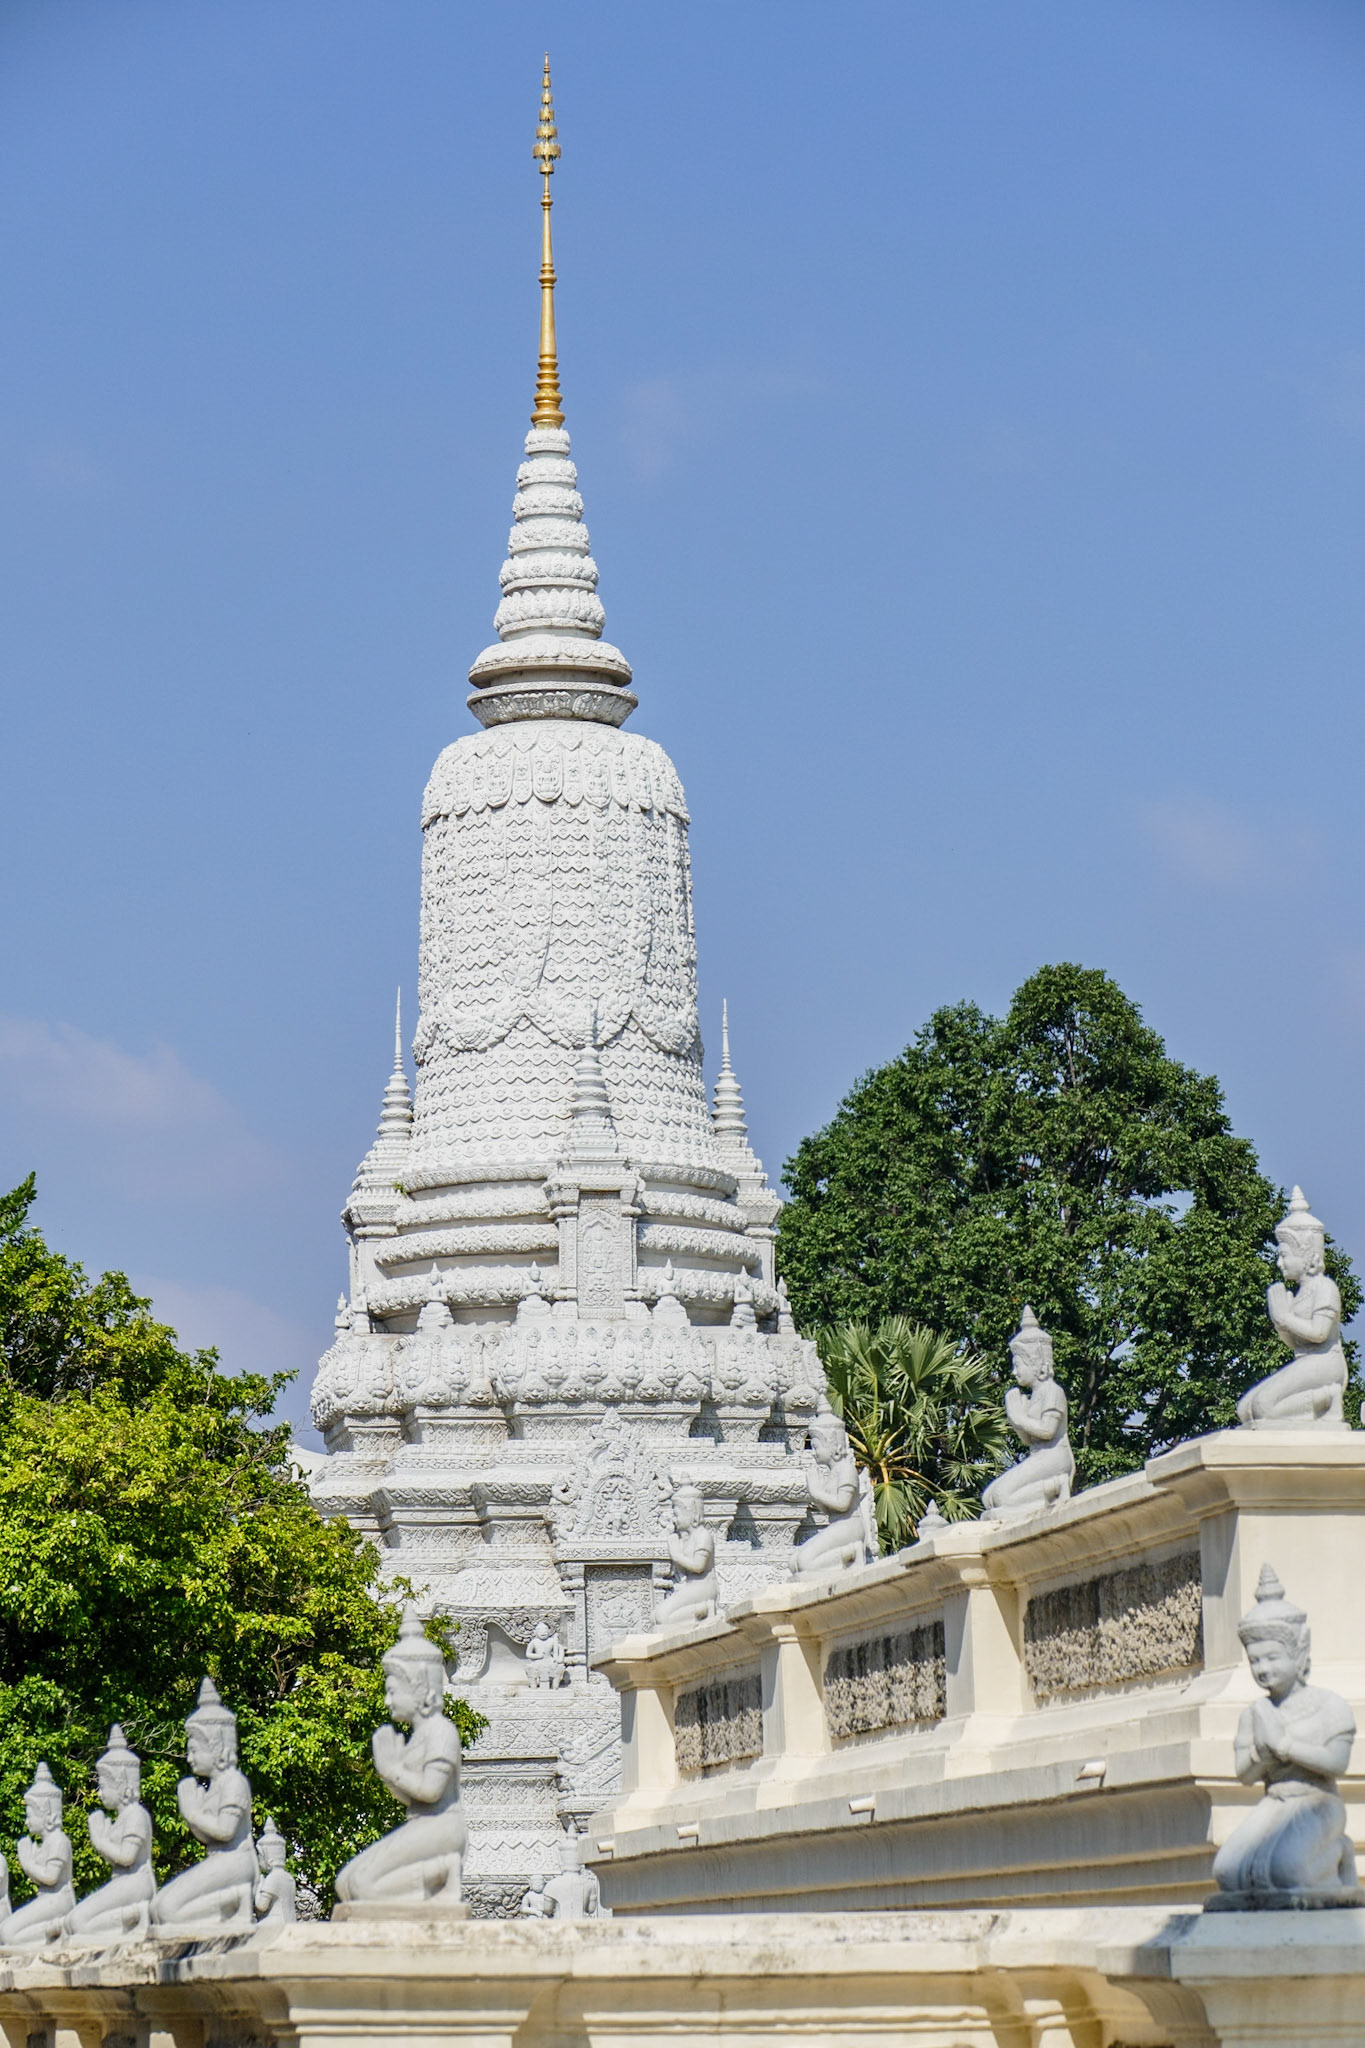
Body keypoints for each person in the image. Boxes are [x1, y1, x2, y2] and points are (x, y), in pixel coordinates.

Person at [1211, 1565, 1359, 1902]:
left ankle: (1339, 1852)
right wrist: (1260, 1754)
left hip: (1318, 1803)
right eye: (1255, 1661)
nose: (1263, 1669)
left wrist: (1286, 1745)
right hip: (1274, 1802)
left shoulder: (1329, 1705)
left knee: (1287, 1872)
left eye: (1272, 1658)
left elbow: (1337, 1763)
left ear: (1298, 1653)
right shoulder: (1256, 1713)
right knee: (1230, 1872)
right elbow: (1245, 1775)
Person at [334, 1610, 466, 1907]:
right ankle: (434, 1875)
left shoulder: (441, 1731)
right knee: (345, 1884)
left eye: (392, 1691)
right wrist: (388, 1773)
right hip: (421, 1825)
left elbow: (430, 1791)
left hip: (442, 1827)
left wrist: (392, 1769)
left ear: (419, 1688)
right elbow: (411, 1797)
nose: (387, 1700)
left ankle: (442, 1871)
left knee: (362, 1885)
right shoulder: (416, 1737)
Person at [151, 1679, 256, 1933]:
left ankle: (236, 1899)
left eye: (195, 1750)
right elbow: (207, 1837)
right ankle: (229, 1902)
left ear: (217, 1748)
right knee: (156, 1907)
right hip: (218, 1860)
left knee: (167, 1910)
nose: (189, 1758)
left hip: (236, 1862)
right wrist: (191, 1810)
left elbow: (226, 1831)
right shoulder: (212, 1788)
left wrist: (192, 1813)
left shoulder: (234, 1782)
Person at [1238, 1189, 1348, 1428]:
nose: (1280, 1263)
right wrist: (1280, 1323)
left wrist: (1285, 1318)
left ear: (1306, 1255)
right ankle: (1319, 1400)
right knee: (1245, 1409)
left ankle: (1327, 1396)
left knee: (1262, 1407)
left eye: (1284, 1256)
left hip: (1326, 1363)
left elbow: (1319, 1333)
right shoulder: (1297, 1295)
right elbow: (1293, 1343)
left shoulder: (1325, 1287)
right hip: (1305, 1362)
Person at [64, 1726, 154, 1944]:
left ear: (121, 1785)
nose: (100, 1792)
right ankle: (129, 1917)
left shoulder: (136, 1815)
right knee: (73, 1922)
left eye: (103, 1785)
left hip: (136, 1882)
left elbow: (127, 1857)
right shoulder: (118, 1820)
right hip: (122, 1882)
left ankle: (136, 1915)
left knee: (78, 1923)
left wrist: (100, 1840)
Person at [981, 1309, 1074, 1517]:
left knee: (1002, 1496)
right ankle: (1030, 1499)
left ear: (1035, 1364)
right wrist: (1015, 1419)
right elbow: (1027, 1440)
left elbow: (1048, 1431)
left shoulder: (1053, 1391)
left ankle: (1055, 1485)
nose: (1014, 1372)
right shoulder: (1030, 1399)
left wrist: (1020, 1419)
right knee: (989, 1497)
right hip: (1038, 1456)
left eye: (1018, 1365)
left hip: (1055, 1456)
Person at [0, 1765, 74, 1947]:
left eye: (30, 1815)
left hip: (59, 1900)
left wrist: (27, 1863)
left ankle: (59, 1928)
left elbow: (50, 1877)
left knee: (8, 1933)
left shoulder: (58, 1840)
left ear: (45, 1814)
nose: (27, 1821)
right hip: (47, 1899)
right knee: (7, 1931)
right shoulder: (44, 1844)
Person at [795, 1401, 872, 1576]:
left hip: (850, 1526)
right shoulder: (831, 1474)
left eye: (816, 1447)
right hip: (837, 1524)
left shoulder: (846, 1469)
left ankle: (852, 1551)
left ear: (831, 1445)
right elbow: (828, 1510)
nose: (813, 1452)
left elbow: (843, 1504)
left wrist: (817, 1492)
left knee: (805, 1563)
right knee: (794, 1563)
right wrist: (815, 1494)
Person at [653, 1482, 718, 1625]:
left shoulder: (703, 1535)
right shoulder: (688, 1539)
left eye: (677, 1515)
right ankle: (699, 1611)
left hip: (704, 1587)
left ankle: (705, 1608)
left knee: (661, 1616)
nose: (674, 1520)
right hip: (691, 1586)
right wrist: (677, 1545)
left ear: (692, 1515)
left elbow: (698, 1566)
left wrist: (676, 1555)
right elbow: (684, 1571)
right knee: (656, 1616)